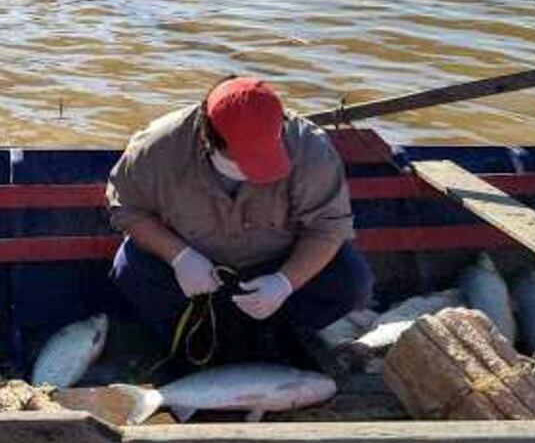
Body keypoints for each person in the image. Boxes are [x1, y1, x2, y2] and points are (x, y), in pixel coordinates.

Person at [107, 76, 374, 365]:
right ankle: (186, 346)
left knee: (351, 279)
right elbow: (126, 209)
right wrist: (180, 257)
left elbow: (329, 227)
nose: (256, 174)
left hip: (277, 263)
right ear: (207, 138)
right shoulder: (157, 148)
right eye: (244, 162)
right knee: (129, 269)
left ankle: (281, 335)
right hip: (196, 270)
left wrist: (285, 282)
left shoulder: (312, 151)